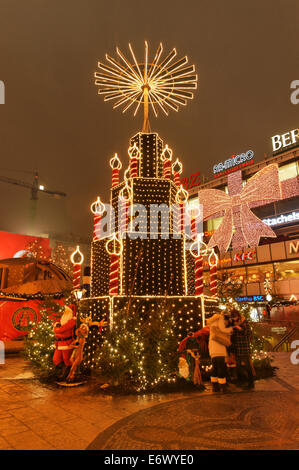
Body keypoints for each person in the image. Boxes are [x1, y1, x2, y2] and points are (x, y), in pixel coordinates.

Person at [206, 311, 233, 392]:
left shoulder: (213, 323)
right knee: (221, 367)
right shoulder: (220, 321)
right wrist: (230, 330)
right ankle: (223, 386)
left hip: (213, 349)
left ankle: (215, 386)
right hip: (219, 348)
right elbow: (221, 332)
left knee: (215, 367)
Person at [230, 309, 255, 389]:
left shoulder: (244, 322)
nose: (234, 319)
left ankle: (251, 383)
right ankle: (243, 381)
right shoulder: (232, 323)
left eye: (235, 317)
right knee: (238, 366)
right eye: (233, 317)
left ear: (238, 316)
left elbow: (249, 333)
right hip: (237, 348)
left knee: (247, 366)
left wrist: (240, 329)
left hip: (244, 347)